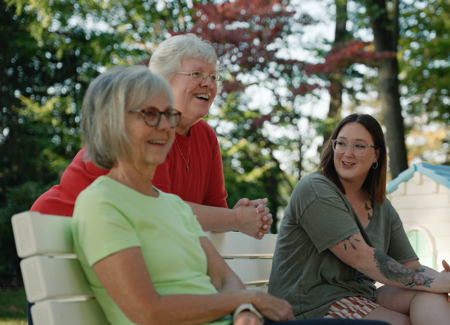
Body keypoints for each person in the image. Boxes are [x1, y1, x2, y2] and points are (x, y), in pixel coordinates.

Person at [72, 65, 391, 325]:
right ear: (111, 123)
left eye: (168, 114)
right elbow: (148, 311)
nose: (165, 126)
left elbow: (226, 279)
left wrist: (243, 312)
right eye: (149, 115)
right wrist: (245, 300)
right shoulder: (102, 204)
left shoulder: (172, 206)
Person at [30, 34, 271, 239]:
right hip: (63, 232)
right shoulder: (148, 128)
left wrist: (237, 217)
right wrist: (233, 219)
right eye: (197, 74)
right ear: (162, 80)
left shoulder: (206, 137)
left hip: (125, 243)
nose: (208, 83)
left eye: (213, 76)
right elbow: (159, 208)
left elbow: (213, 212)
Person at [268, 114, 450, 325]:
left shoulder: (381, 206)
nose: (347, 153)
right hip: (309, 304)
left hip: (360, 296)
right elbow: (362, 257)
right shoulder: (315, 189)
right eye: (341, 143)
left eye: (359, 146)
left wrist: (446, 280)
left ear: (376, 155)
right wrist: (431, 282)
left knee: (432, 295)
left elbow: (411, 266)